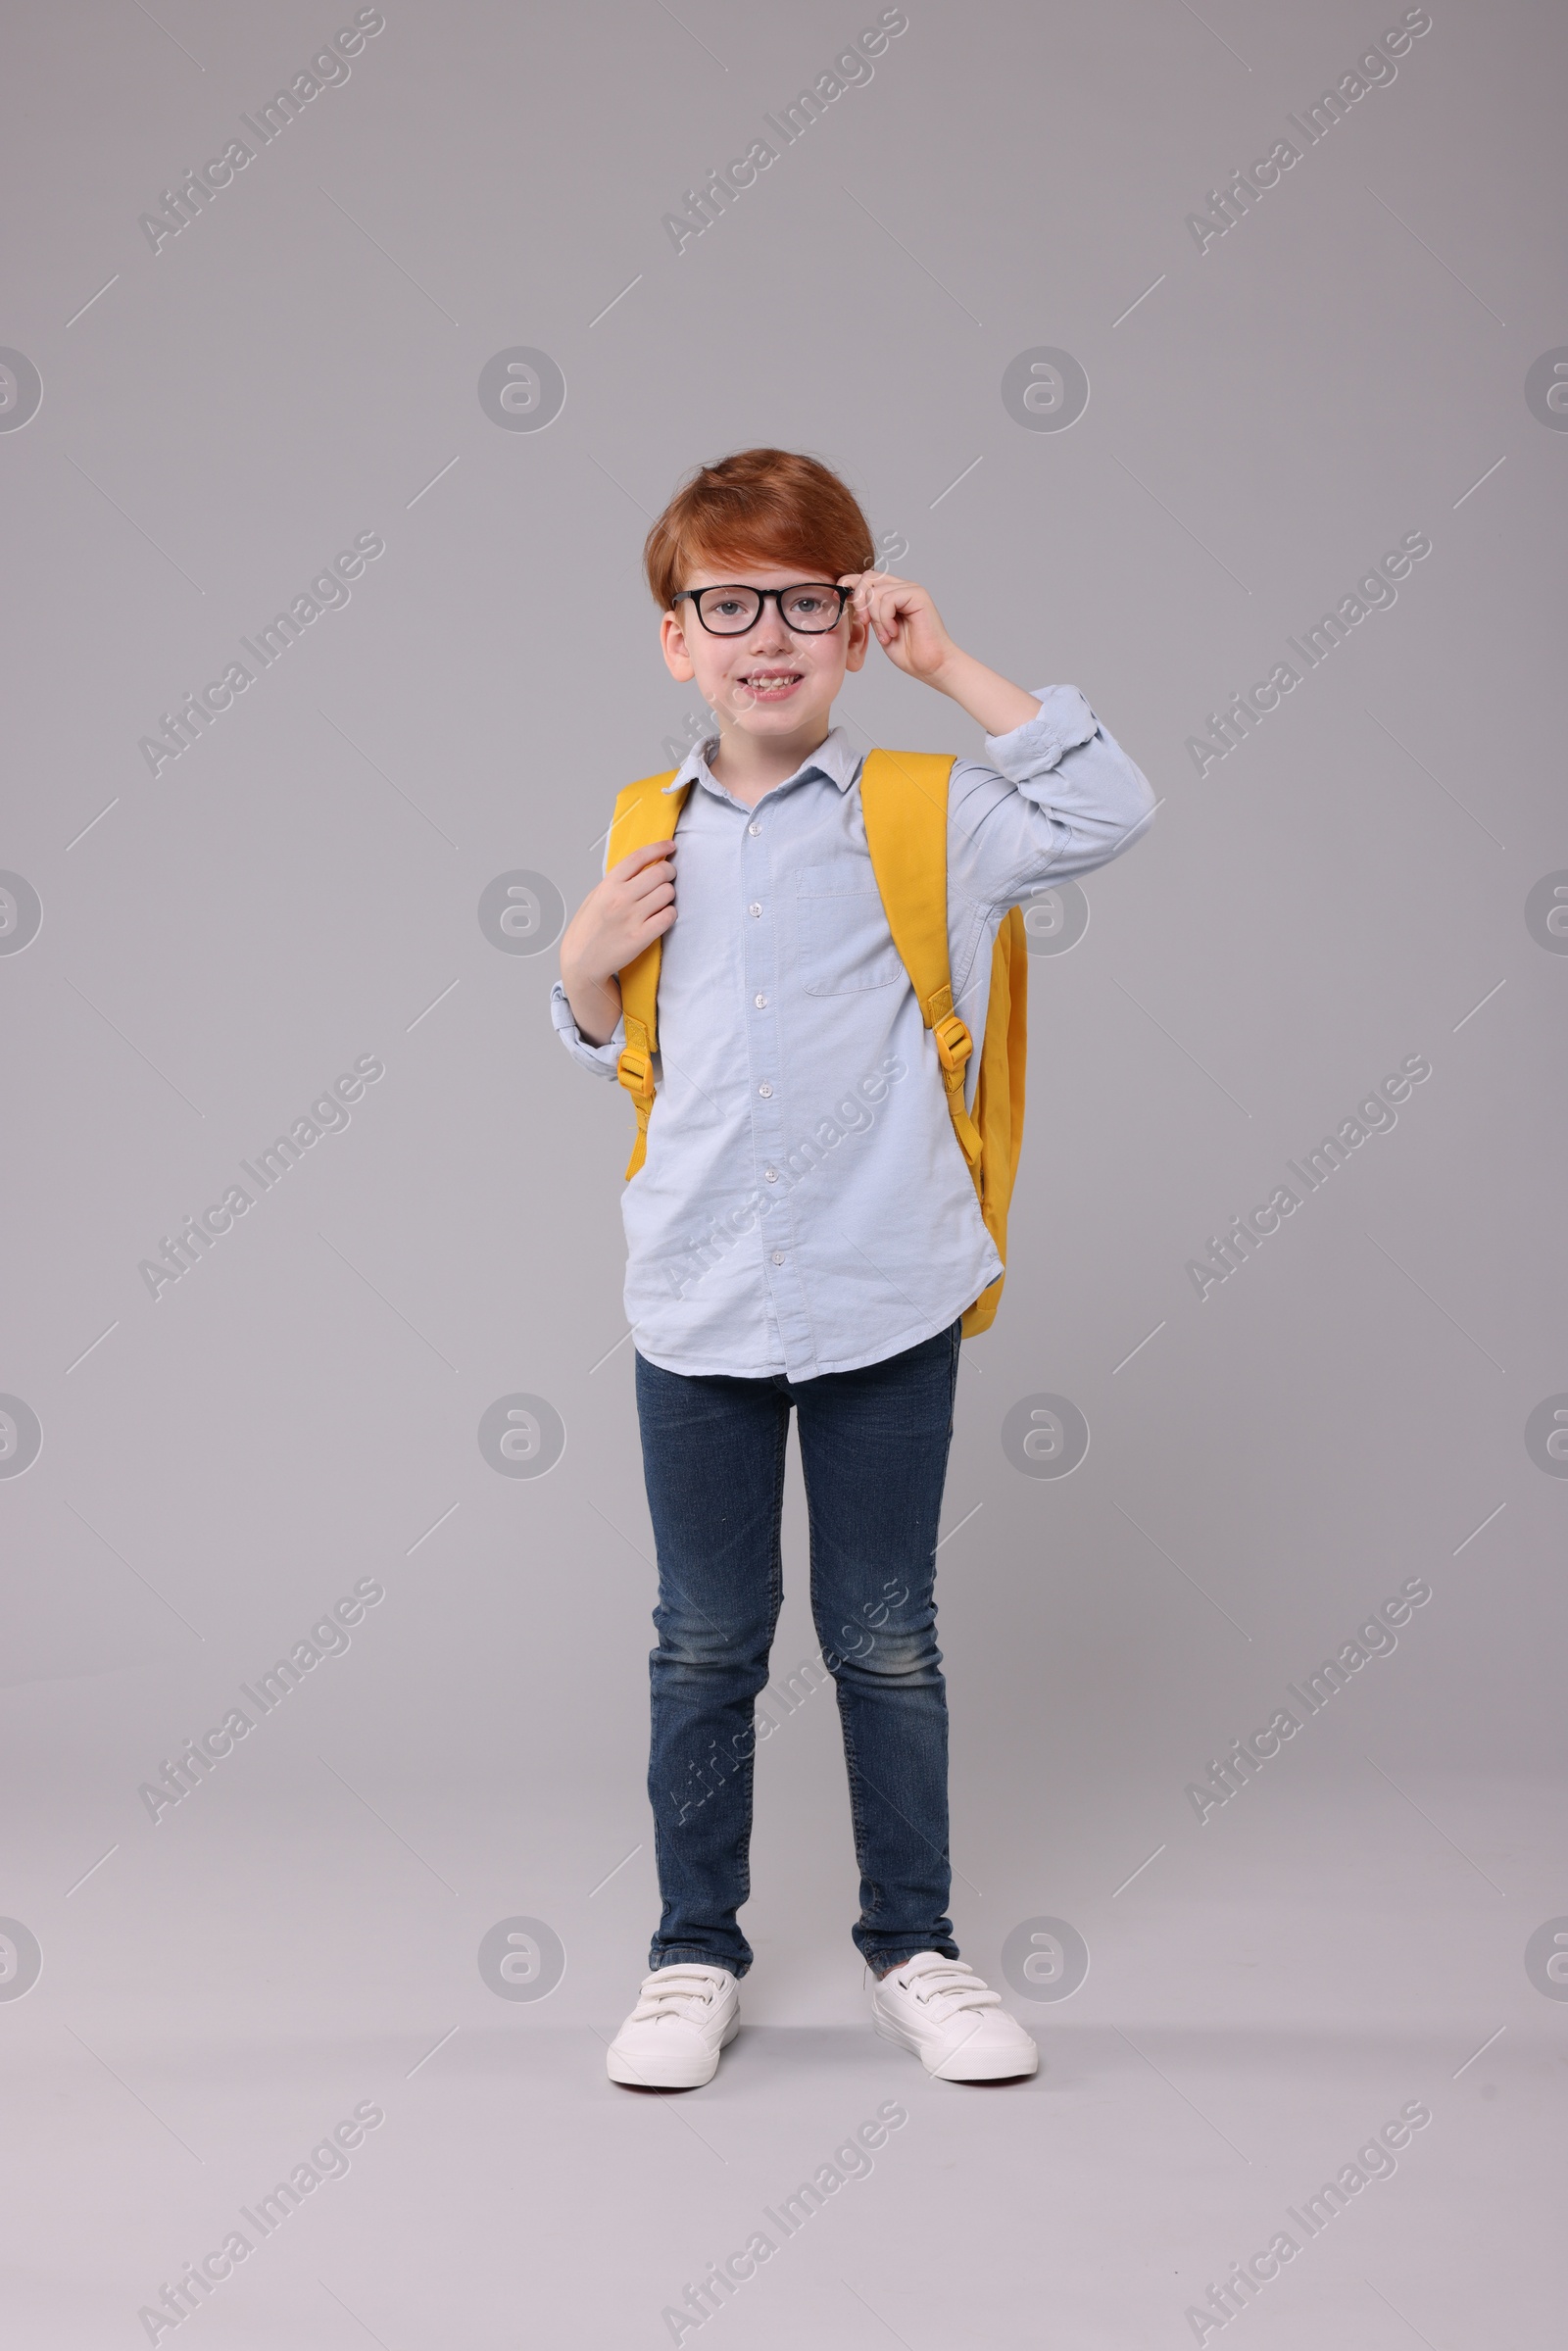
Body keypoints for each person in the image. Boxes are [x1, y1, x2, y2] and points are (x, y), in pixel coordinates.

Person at [551, 447, 1156, 2089]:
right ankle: (693, 1955)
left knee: (887, 1632)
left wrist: (948, 662)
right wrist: (575, 970)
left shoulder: (931, 814)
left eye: (805, 603)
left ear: (849, 620)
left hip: (887, 1285)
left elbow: (1109, 804)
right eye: (725, 604)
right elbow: (625, 1046)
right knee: (704, 1639)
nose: (766, 635)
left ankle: (917, 1943)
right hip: (697, 1302)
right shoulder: (641, 824)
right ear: (676, 638)